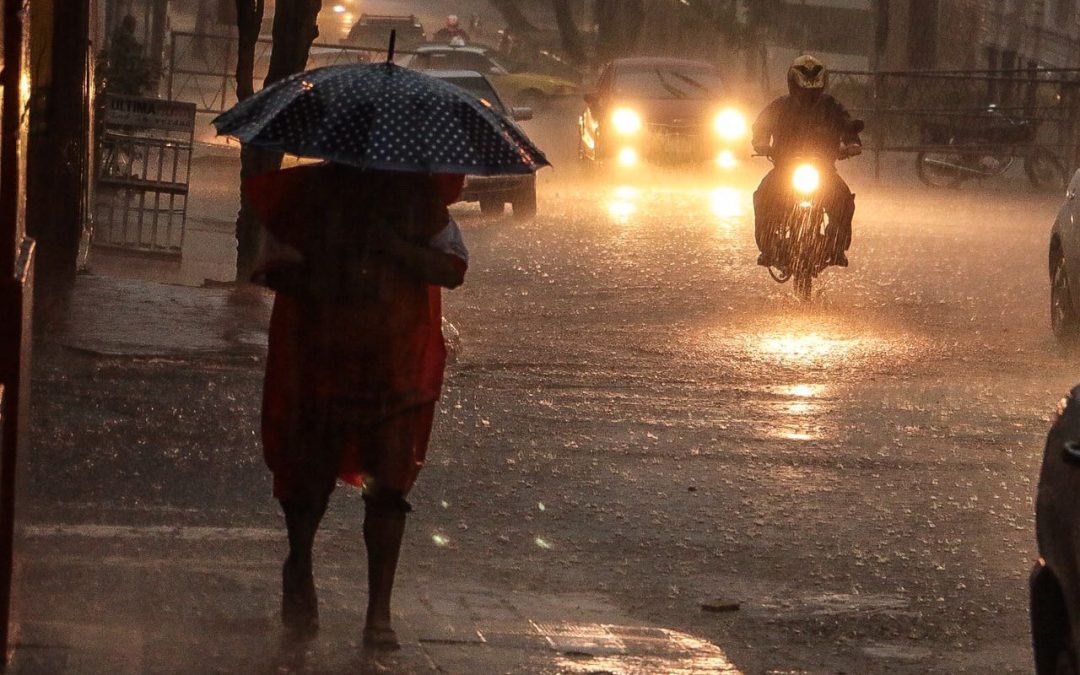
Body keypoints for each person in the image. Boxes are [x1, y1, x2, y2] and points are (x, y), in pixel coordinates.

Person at [246, 162, 468, 649]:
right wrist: (329, 263)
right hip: (319, 363)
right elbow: (271, 266)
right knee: (308, 483)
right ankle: (300, 566)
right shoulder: (309, 195)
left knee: (387, 487)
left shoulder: (419, 198)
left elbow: (452, 268)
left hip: (395, 365)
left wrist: (392, 248)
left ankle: (379, 613)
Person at [751, 55, 862, 267]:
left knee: (844, 201)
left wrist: (852, 143)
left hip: (824, 170)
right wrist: (761, 143)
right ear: (793, 85)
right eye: (804, 90)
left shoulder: (831, 106)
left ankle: (836, 247)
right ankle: (768, 247)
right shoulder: (781, 106)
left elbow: (846, 124)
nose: (808, 95)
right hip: (784, 169)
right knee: (762, 197)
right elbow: (761, 126)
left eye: (813, 90)